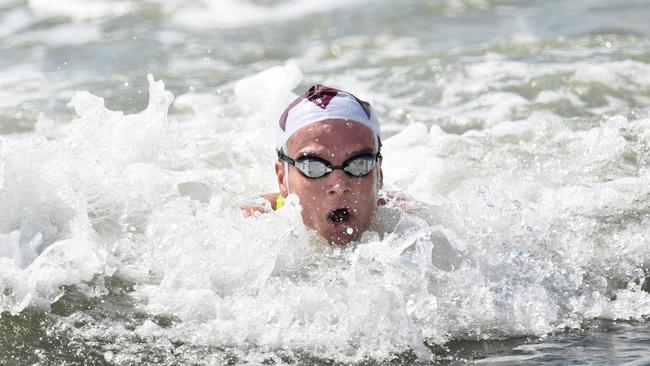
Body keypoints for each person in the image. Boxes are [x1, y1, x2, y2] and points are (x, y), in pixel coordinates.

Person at [242, 84, 384, 245]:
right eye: (314, 167)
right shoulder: (248, 226)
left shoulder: (407, 218)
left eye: (359, 164)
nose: (339, 185)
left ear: (379, 174)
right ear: (282, 178)